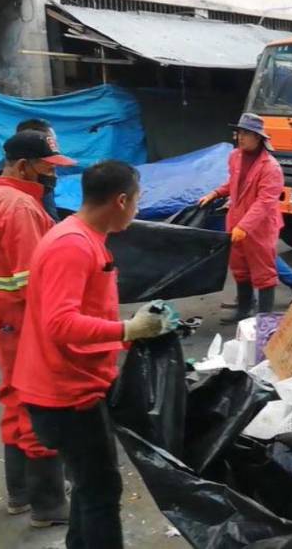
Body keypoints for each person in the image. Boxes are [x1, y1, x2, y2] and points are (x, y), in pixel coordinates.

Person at [12, 160, 173, 549]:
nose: (137, 208)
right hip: (65, 394)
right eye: (137, 200)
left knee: (90, 484)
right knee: (101, 489)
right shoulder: (73, 246)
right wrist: (126, 329)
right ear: (120, 200)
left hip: (71, 384)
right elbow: (60, 324)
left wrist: (129, 331)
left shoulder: (82, 236)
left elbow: (83, 312)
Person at [0, 131, 76, 526]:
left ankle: (20, 493)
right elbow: (35, 279)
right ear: (24, 166)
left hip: (3, 317)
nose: (51, 177)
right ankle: (48, 505)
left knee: (15, 397)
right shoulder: (21, 206)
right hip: (30, 318)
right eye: (47, 168)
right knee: (42, 403)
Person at [198, 113, 284, 324]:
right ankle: (244, 310)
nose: (240, 137)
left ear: (258, 137)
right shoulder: (235, 156)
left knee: (264, 272)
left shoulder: (271, 168)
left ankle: (264, 319)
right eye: (239, 133)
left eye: (246, 133)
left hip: (260, 227)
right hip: (236, 220)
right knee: (240, 268)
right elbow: (234, 183)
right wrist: (216, 193)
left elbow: (265, 202)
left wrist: (244, 226)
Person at [0, 119, 61, 221]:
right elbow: (50, 218)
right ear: (22, 166)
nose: (54, 176)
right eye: (49, 140)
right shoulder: (23, 207)